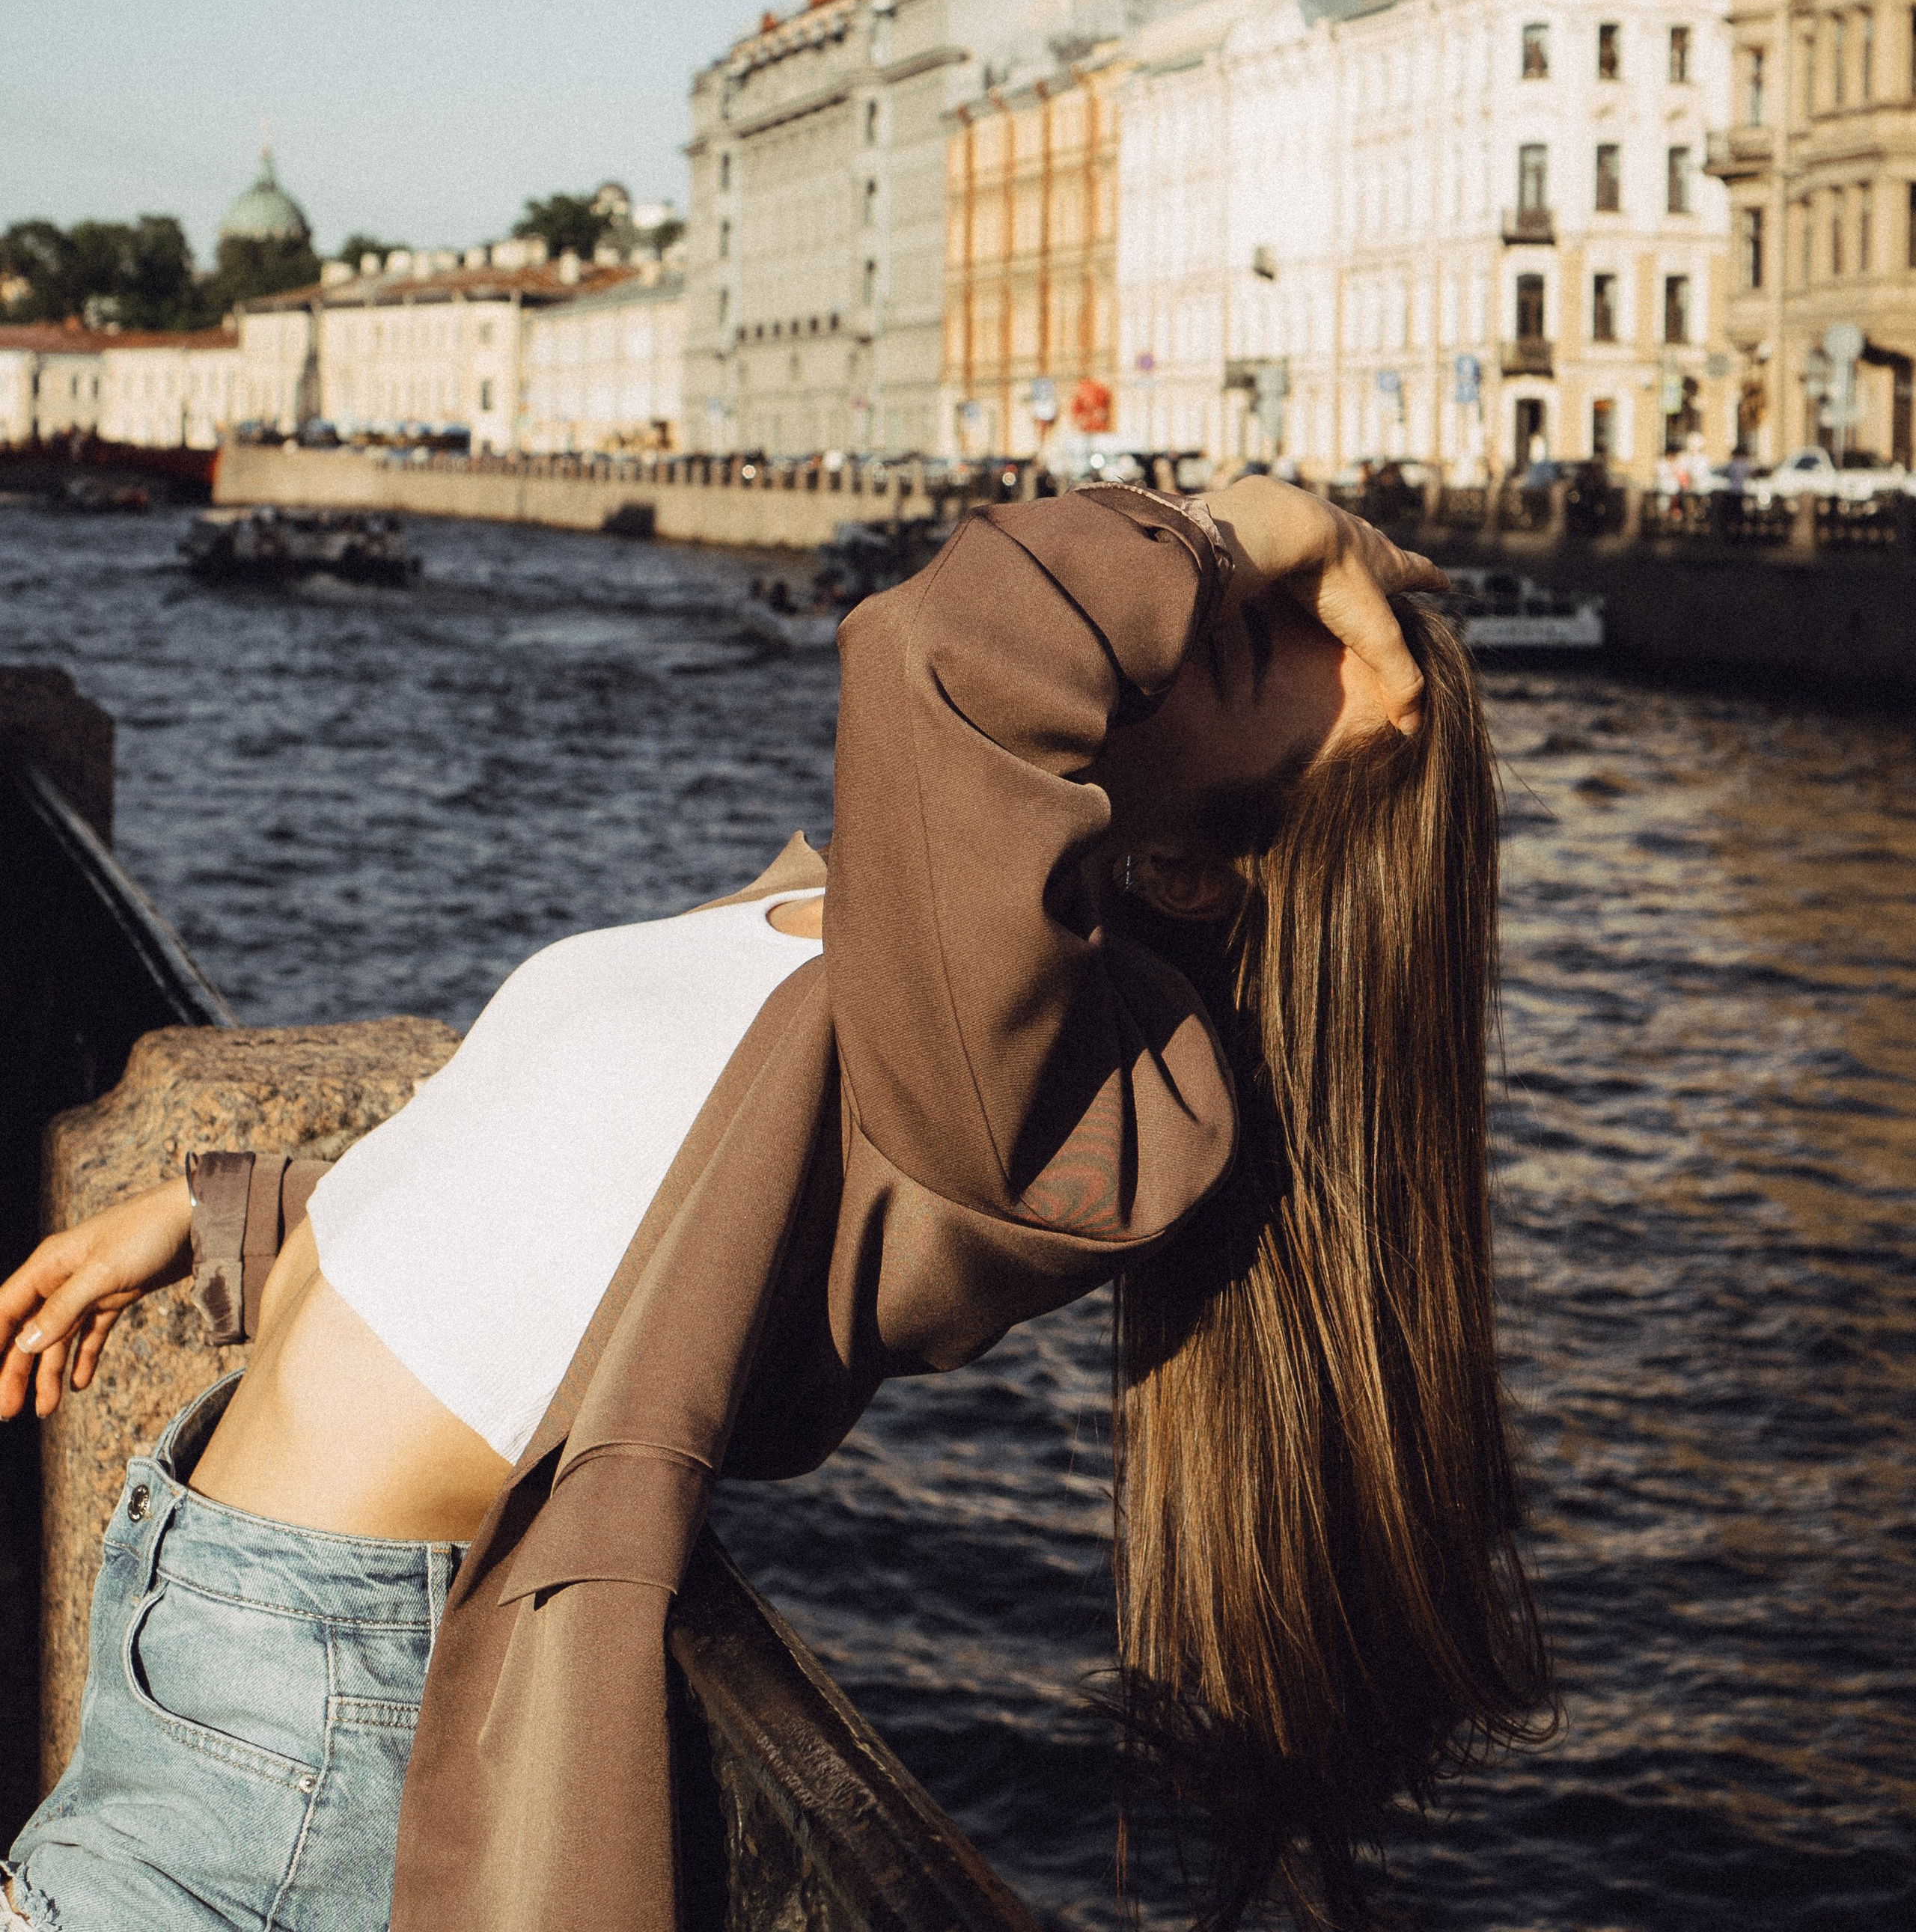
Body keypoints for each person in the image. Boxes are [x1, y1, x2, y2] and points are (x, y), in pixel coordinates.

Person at [1, 480, 1549, 1932]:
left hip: (322, 1698)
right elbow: (561, 1213)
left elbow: (958, 645)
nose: (1271, 600)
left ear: (1190, 870)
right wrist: (244, 1227)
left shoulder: (1087, 1093)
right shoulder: (861, 938)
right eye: (1267, 596)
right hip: (210, 1592)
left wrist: (1238, 520)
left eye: (1273, 638)